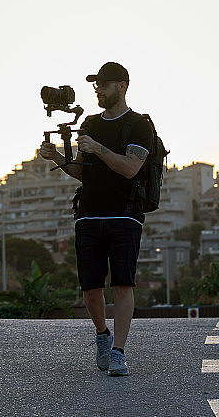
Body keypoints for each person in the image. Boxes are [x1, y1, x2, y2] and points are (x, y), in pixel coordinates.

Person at [39, 61, 153, 377]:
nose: (98, 90)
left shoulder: (138, 125)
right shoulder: (89, 124)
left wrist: (99, 148)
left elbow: (131, 168)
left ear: (122, 86)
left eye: (103, 84)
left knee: (122, 283)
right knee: (90, 288)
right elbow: (81, 172)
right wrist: (57, 159)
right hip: (88, 214)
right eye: (95, 86)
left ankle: (118, 351)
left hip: (125, 215)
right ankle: (102, 334)